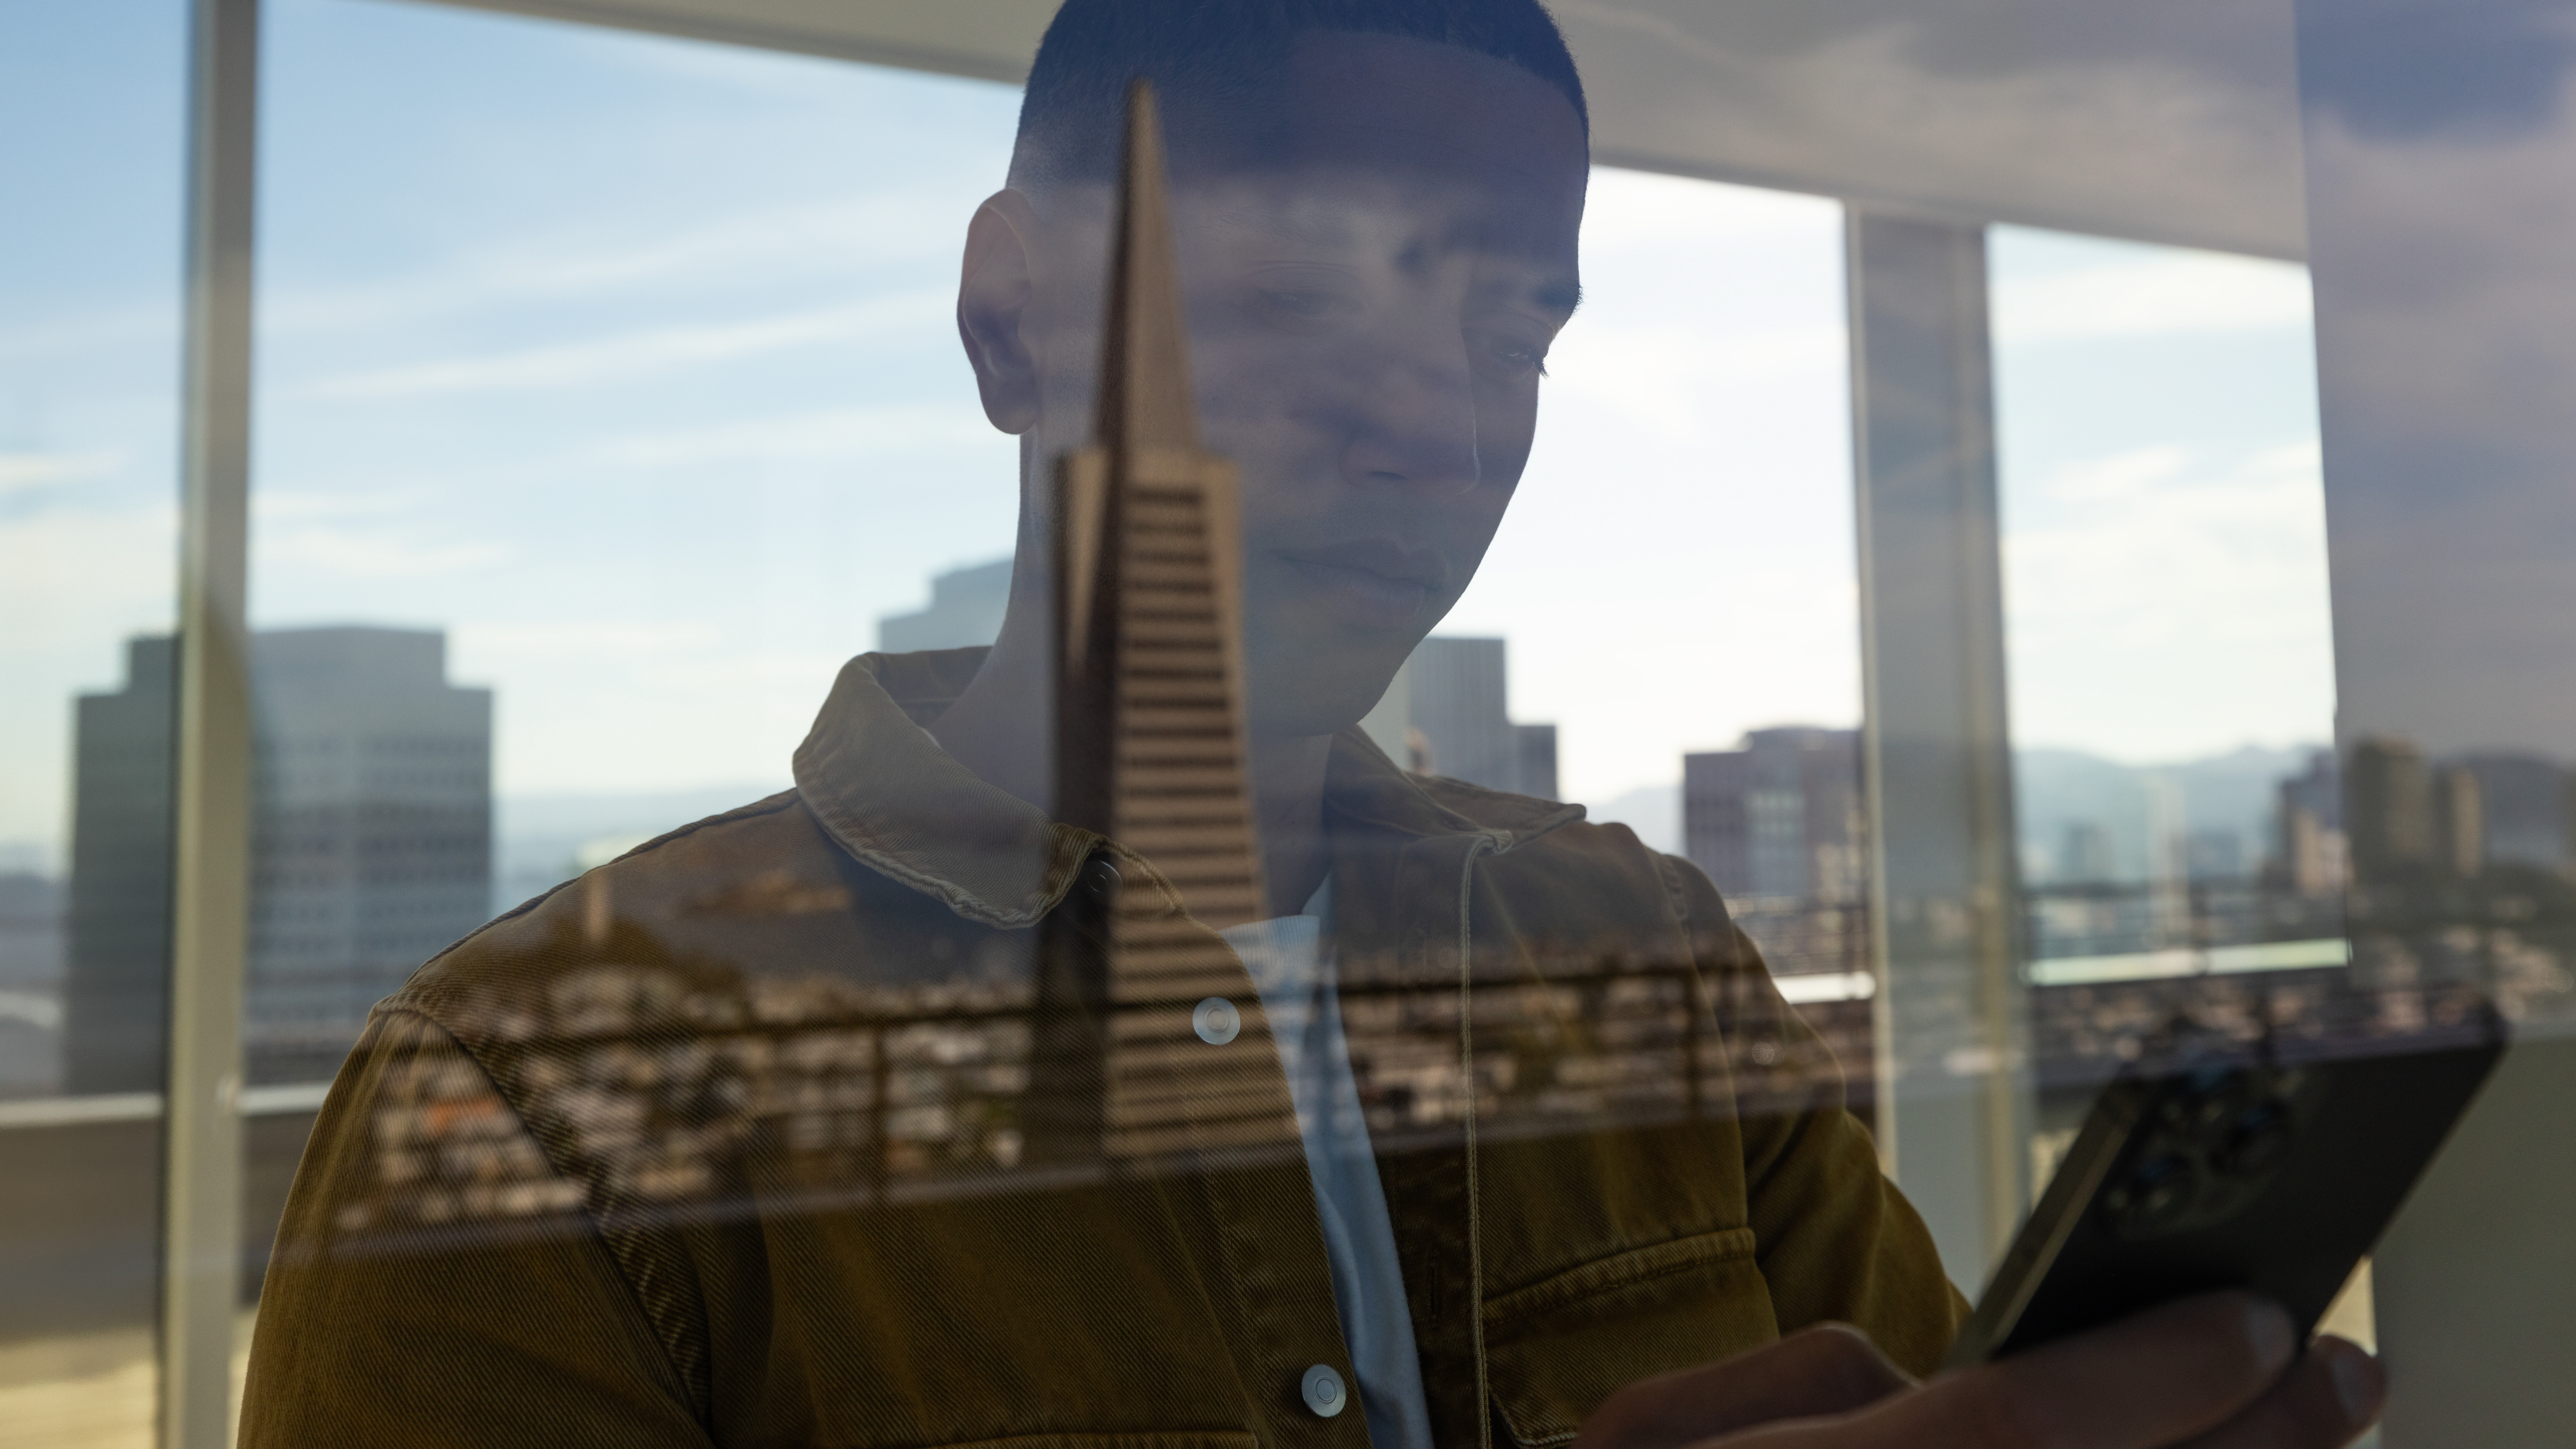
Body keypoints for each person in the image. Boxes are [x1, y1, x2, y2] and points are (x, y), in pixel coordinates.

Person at [239, 3, 2386, 1447]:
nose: (1444, 429)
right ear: (1016, 313)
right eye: (1315, 289)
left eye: (1514, 329)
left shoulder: (1635, 956)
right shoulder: (532, 1097)